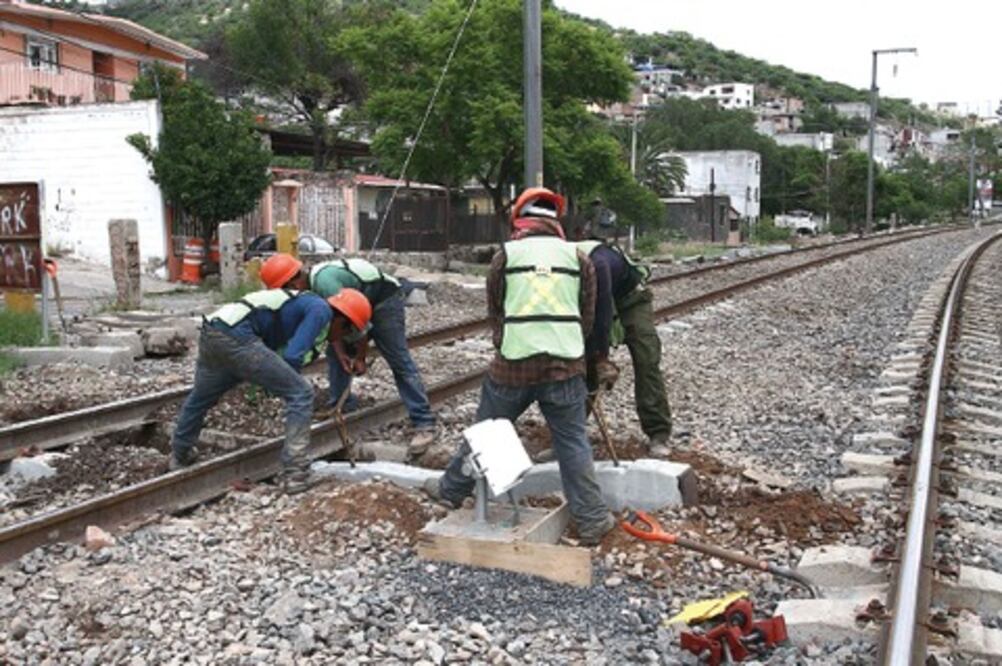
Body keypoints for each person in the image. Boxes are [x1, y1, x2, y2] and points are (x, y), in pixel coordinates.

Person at [428, 187, 616, 545]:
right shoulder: (579, 258)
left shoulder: (505, 256)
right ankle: (592, 519)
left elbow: (495, 310)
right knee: (572, 442)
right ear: (556, 221)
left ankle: (451, 491)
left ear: (519, 220)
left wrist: (507, 342)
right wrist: (569, 348)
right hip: (564, 365)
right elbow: (588, 316)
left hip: (513, 365)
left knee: (486, 429)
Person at [169, 253, 372, 494]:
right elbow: (293, 356)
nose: (341, 337)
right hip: (238, 336)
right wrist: (288, 385)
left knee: (201, 397)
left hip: (212, 331)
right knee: (301, 393)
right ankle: (296, 474)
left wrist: (275, 380)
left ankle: (180, 454)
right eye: (346, 332)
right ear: (343, 319)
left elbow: (276, 351)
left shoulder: (298, 303)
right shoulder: (321, 309)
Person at [262, 253, 437, 456]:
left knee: (398, 359)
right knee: (335, 355)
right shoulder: (310, 293)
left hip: (384, 301)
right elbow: (333, 327)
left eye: (285, 290)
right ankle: (343, 407)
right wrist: (341, 353)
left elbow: (357, 324)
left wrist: (360, 357)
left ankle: (424, 422)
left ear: (294, 282)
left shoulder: (325, 285)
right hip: (359, 304)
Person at [576, 231, 673, 455]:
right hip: (596, 300)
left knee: (646, 359)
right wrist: (594, 358)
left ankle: (658, 433)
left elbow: (602, 318)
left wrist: (602, 358)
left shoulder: (597, 265)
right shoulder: (559, 266)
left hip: (631, 300)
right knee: (586, 363)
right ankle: (569, 435)